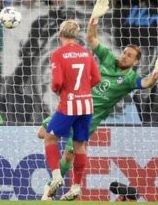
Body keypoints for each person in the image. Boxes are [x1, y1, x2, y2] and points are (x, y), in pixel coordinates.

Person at [38, 0, 158, 200]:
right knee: (42, 133)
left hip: (90, 115)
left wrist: (155, 73)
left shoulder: (129, 79)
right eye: (125, 52)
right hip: (74, 104)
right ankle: (60, 181)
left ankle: (52, 188)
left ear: (136, 62)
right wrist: (94, 18)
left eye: (129, 56)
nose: (124, 56)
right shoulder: (109, 58)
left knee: (69, 153)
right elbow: (92, 40)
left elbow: (145, 84)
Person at [43, 19, 101, 201]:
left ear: (60, 35)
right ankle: (76, 186)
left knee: (49, 137)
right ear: (76, 36)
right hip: (87, 105)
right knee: (79, 145)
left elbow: (57, 82)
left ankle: (57, 176)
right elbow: (97, 79)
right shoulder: (86, 53)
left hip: (69, 104)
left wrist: (56, 89)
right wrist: (83, 88)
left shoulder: (58, 54)